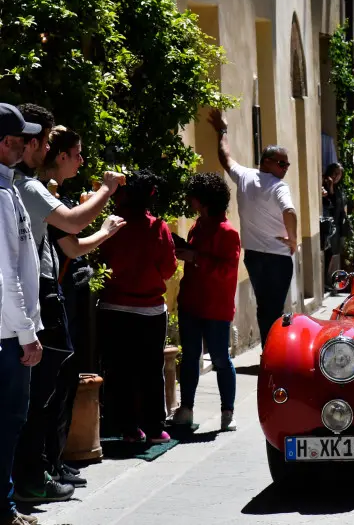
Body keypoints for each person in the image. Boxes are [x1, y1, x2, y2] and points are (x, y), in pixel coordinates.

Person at [12, 105, 123, 502]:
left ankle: (44, 467)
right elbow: (74, 228)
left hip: (37, 292)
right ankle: (32, 477)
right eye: (35, 140)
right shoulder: (24, 187)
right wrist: (107, 191)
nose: (38, 147)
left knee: (49, 388)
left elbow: (70, 240)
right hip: (34, 293)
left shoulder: (23, 187)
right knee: (39, 394)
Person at [98, 171, 178, 444]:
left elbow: (103, 260)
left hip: (113, 307)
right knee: (150, 370)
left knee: (119, 369)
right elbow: (168, 268)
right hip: (149, 310)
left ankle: (128, 428)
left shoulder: (111, 226)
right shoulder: (158, 228)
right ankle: (155, 428)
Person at [208, 109, 297, 349]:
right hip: (278, 258)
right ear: (266, 162)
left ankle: (268, 349)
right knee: (275, 308)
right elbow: (290, 211)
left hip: (254, 256)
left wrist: (222, 130)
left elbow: (225, 157)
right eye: (281, 163)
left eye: (287, 163)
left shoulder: (245, 176)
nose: (285, 167)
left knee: (263, 306)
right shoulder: (279, 186)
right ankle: (273, 352)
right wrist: (293, 240)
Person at [0, 102, 43, 525]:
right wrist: (26, 331)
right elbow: (5, 274)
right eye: (19, 139)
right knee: (9, 422)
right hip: (7, 335)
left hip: (10, 330)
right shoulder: (0, 196)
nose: (26, 145)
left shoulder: (8, 188)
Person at [172, 172, 241, 432]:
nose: (190, 201)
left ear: (204, 200)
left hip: (215, 308)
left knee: (221, 359)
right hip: (191, 304)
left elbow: (227, 270)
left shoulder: (228, 232)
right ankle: (186, 409)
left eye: (193, 197)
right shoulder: (196, 227)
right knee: (190, 358)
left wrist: (195, 257)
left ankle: (227, 412)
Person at [322, 163, 347, 278]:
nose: (337, 176)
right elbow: (330, 204)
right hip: (328, 224)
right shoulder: (325, 186)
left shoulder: (339, 188)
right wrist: (330, 188)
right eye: (335, 173)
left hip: (337, 225)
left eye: (339, 174)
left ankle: (329, 278)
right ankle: (325, 279)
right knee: (328, 252)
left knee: (333, 253)